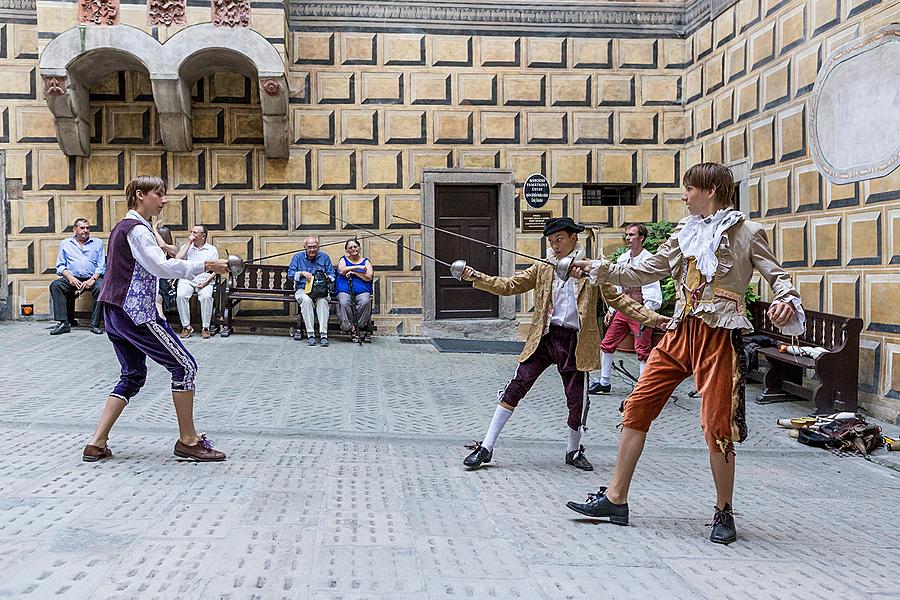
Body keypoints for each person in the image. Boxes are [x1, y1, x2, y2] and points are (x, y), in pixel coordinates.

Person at [565, 163, 805, 545]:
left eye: (688, 189)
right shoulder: (683, 234)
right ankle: (615, 499)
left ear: (709, 189)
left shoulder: (747, 233)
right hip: (681, 330)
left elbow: (779, 277)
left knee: (717, 425)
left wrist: (787, 301)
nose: (683, 195)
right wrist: (598, 268)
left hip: (718, 336)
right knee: (637, 405)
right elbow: (642, 271)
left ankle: (723, 511)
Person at [460, 217, 664, 472]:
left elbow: (621, 302)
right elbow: (510, 285)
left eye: (559, 240)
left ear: (573, 239)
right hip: (545, 337)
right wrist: (476, 277)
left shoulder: (592, 271)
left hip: (576, 342)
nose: (555, 246)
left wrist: (655, 319)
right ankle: (486, 447)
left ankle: (573, 450)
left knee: (577, 400)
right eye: (551, 241)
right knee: (515, 387)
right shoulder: (544, 267)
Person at [82, 175, 230, 463]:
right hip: (135, 313)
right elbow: (161, 267)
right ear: (140, 194)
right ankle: (188, 441)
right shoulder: (136, 229)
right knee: (185, 367)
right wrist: (207, 264)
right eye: (158, 194)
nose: (163, 200)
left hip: (113, 312)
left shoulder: (127, 227)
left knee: (133, 375)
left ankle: (97, 443)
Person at [588, 223, 662, 394]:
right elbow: (618, 287)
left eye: (632, 235)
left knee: (642, 349)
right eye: (626, 235)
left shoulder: (649, 260)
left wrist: (647, 314)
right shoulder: (623, 259)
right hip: (624, 308)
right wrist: (612, 310)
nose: (628, 238)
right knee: (607, 344)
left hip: (640, 309)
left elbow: (652, 288)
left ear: (641, 238)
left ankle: (642, 389)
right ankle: (604, 382)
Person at [49, 218, 106, 335]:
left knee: (101, 287)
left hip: (92, 278)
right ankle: (64, 322)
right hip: (72, 277)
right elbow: (60, 266)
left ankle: (95, 324)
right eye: (82, 228)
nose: (85, 231)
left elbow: (101, 266)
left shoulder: (97, 243)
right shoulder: (65, 243)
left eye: (87, 228)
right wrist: (70, 278)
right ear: (75, 229)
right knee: (56, 285)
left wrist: (93, 279)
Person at [288, 236, 335, 346]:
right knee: (306, 300)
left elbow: (332, 274)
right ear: (304, 247)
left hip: (320, 290)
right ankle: (311, 334)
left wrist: (326, 277)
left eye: (315, 247)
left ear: (318, 247)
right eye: (309, 247)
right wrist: (302, 273)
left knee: (322, 301)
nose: (312, 249)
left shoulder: (324, 257)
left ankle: (324, 335)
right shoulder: (297, 257)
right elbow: (290, 275)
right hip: (303, 289)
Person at [174, 224, 219, 339]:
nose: (191, 235)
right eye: (191, 232)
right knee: (181, 295)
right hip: (187, 279)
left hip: (205, 280)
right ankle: (186, 327)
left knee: (206, 297)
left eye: (194, 232)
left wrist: (205, 282)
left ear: (203, 235)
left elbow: (215, 270)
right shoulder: (187, 246)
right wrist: (188, 244)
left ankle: (205, 328)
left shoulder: (211, 249)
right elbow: (178, 259)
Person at [335, 238, 374, 343]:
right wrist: (357, 267)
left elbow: (369, 276)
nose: (353, 249)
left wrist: (354, 272)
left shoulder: (366, 261)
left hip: (363, 291)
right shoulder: (343, 259)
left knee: (365, 301)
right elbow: (342, 270)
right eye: (350, 247)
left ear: (359, 247)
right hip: (345, 290)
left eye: (355, 246)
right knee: (344, 302)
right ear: (347, 250)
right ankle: (350, 327)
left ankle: (357, 325)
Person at [152, 222, 177, 319]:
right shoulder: (153, 250)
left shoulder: (172, 249)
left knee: (157, 297)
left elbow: (162, 245)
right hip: (155, 281)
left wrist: (154, 229)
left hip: (167, 284)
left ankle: (161, 319)